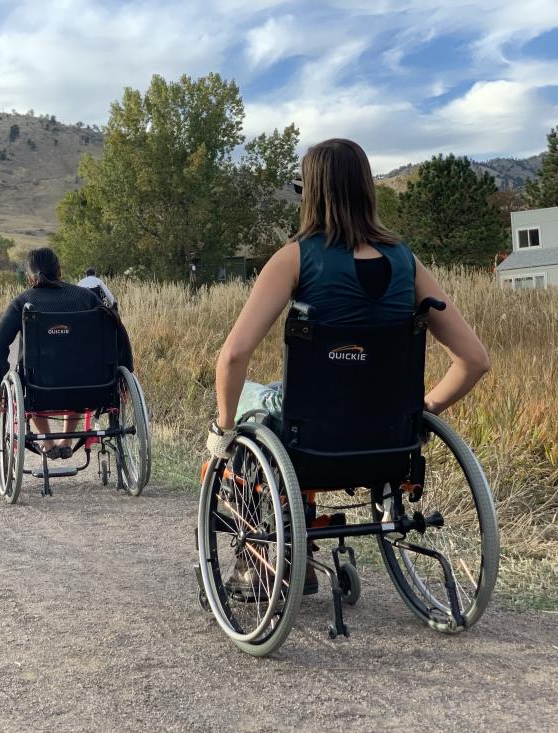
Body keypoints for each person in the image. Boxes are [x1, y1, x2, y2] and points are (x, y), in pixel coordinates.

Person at [205, 138, 490, 593]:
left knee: (241, 397)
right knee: (282, 394)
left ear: (311, 193)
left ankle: (258, 558)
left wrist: (222, 432)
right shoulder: (407, 263)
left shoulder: (294, 259)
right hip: (388, 437)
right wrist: (423, 410)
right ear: (368, 191)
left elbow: (233, 356)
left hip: (312, 435)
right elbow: (474, 361)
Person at [0, 247, 134, 459]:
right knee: (76, 367)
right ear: (59, 270)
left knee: (32, 377)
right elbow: (118, 332)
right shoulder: (86, 298)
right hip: (89, 386)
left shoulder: (23, 302)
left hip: (39, 390)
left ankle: (47, 442)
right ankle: (66, 440)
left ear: (29, 278)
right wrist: (126, 372)